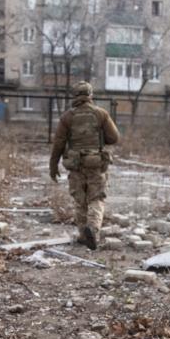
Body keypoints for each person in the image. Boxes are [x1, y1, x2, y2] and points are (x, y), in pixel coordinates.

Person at [49, 81, 120, 250]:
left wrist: (53, 166)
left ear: (75, 96)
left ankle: (83, 234)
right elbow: (114, 138)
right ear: (90, 95)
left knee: (80, 200)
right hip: (96, 163)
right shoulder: (101, 114)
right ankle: (93, 229)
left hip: (75, 164)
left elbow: (58, 144)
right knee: (96, 198)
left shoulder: (67, 117)